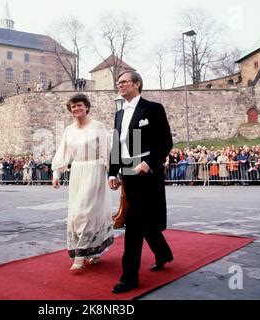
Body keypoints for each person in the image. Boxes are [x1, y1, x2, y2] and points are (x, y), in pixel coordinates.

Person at [108, 70, 174, 293]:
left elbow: (165, 142)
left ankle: (129, 278)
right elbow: (117, 145)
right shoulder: (119, 113)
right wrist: (112, 172)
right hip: (127, 173)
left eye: (125, 81)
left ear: (137, 84)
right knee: (143, 221)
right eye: (118, 82)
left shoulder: (153, 109)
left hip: (147, 173)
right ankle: (163, 253)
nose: (120, 85)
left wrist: (149, 162)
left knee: (134, 224)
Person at [52, 94, 114, 271]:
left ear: (86, 107)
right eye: (73, 107)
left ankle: (80, 256)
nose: (76, 109)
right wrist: (56, 173)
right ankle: (92, 251)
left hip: (95, 170)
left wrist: (113, 174)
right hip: (77, 171)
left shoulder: (98, 127)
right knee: (76, 214)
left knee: (86, 212)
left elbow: (107, 152)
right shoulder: (69, 130)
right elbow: (62, 152)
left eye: (79, 105)